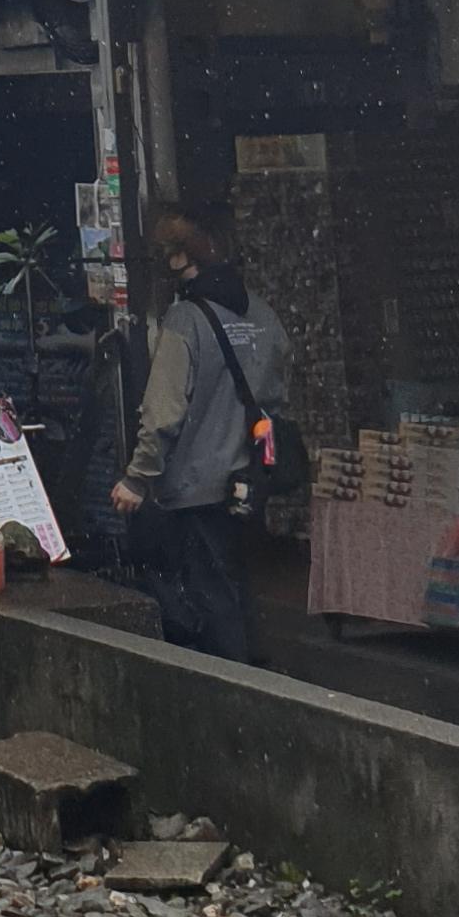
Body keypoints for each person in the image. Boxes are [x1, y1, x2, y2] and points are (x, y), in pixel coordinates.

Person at [108, 211, 287, 663]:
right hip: (247, 483)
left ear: (180, 260)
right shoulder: (264, 315)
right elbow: (276, 396)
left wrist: (137, 477)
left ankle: (230, 690)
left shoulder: (185, 320)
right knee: (238, 586)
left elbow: (164, 411)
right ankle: (256, 679)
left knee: (206, 598)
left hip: (193, 488)